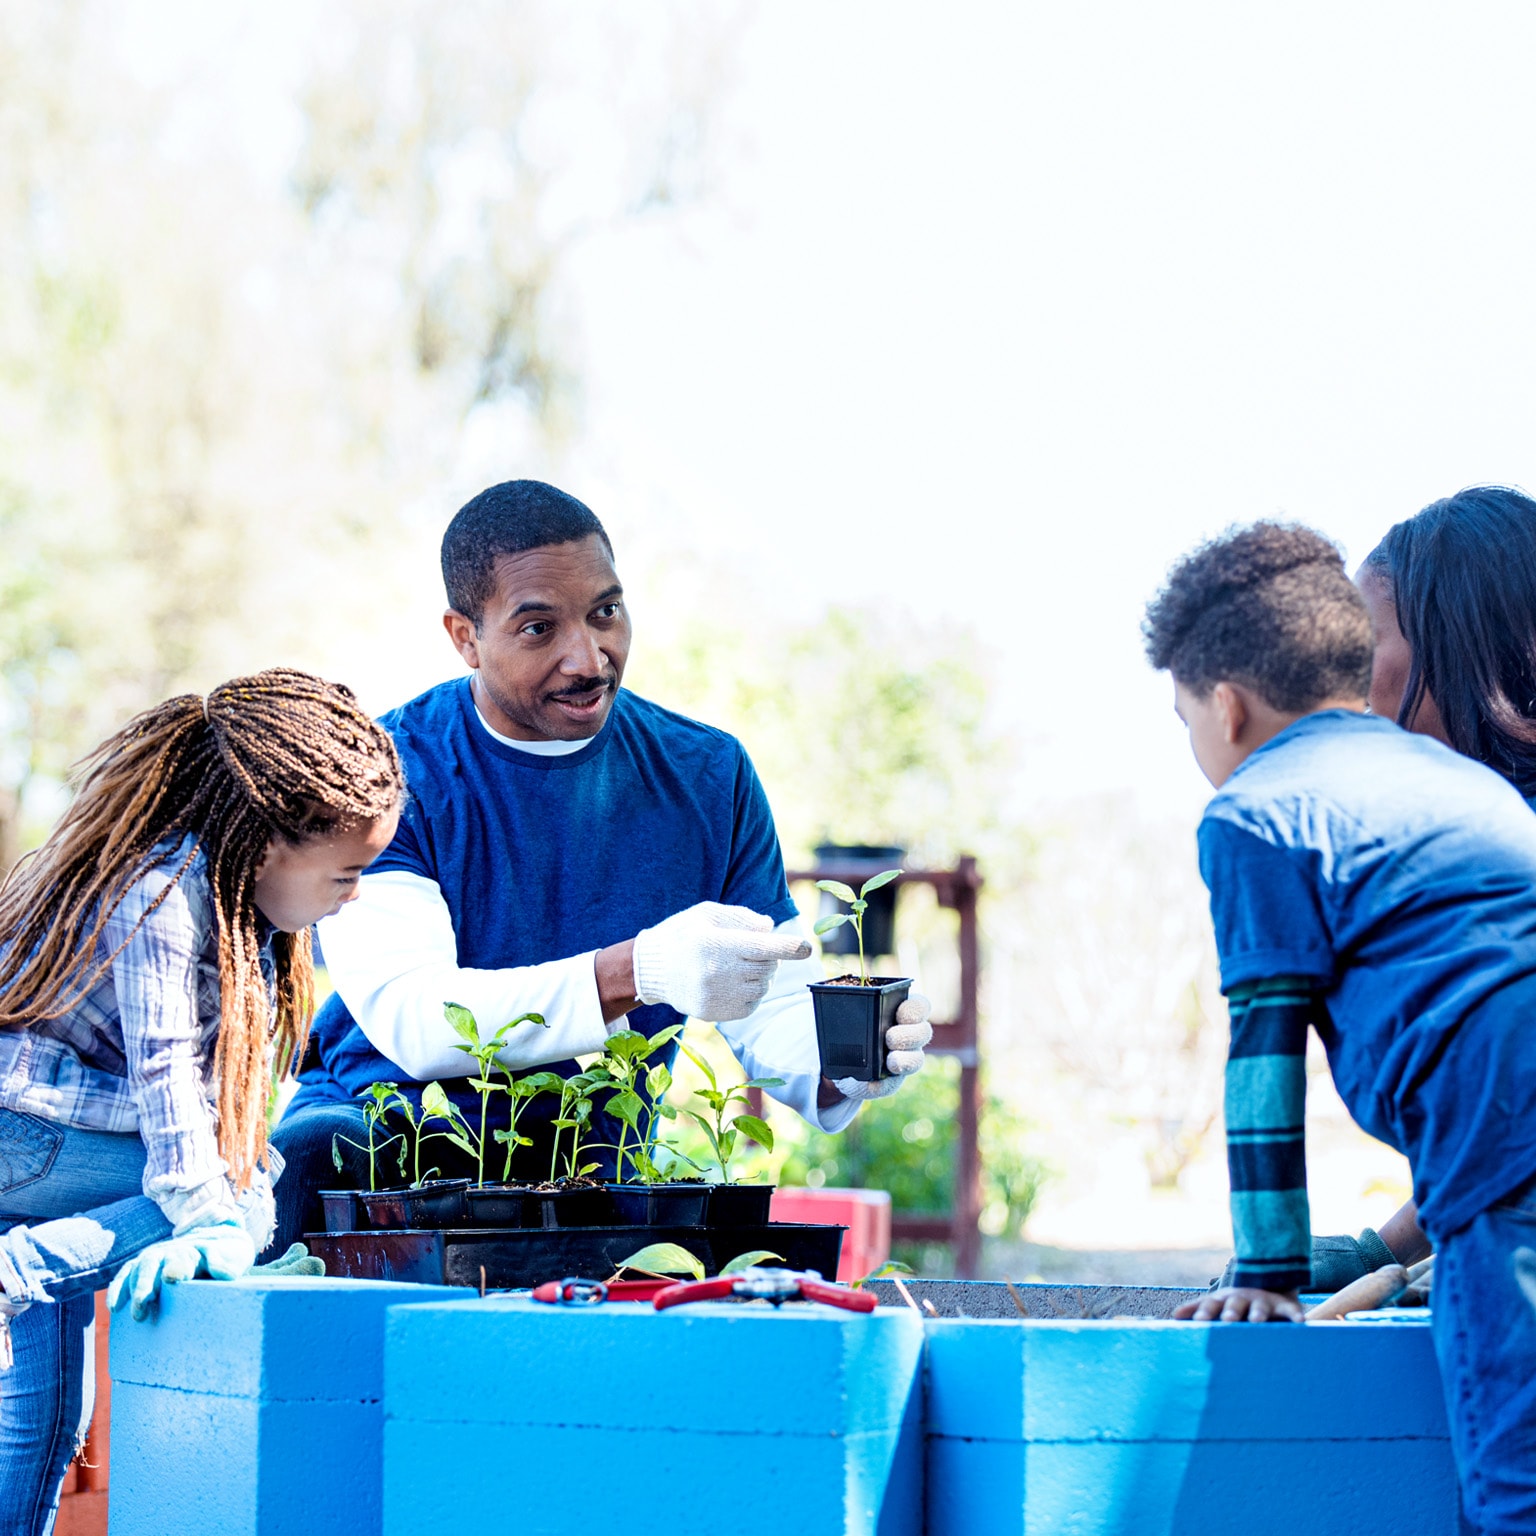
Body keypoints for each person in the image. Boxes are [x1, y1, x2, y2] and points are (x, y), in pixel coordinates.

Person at [270, 480, 933, 1247]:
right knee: (310, 1161)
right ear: (465, 636)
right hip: (384, 1147)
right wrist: (641, 972)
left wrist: (849, 1058)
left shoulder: (708, 776)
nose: (588, 657)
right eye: (538, 627)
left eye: (605, 613)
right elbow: (420, 1021)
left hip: (589, 1165)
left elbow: (773, 1003)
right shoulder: (392, 773)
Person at [1145, 524, 1536, 1533]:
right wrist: (1373, 1246)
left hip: (1506, 1159)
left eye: (1185, 720)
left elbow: (1262, 1051)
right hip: (1500, 1147)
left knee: (1513, 1477)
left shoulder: (1256, 815)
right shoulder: (1459, 782)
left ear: (1225, 707)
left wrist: (1267, 1270)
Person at [0, 669, 404, 1536]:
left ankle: (23, 1278)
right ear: (267, 843)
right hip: (24, 1132)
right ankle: (17, 1271)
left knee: (45, 1424)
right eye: (346, 873)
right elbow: (169, 1078)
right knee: (246, 1192)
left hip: (52, 1147)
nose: (356, 893)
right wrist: (216, 1220)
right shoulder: (162, 893)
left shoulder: (236, 909)